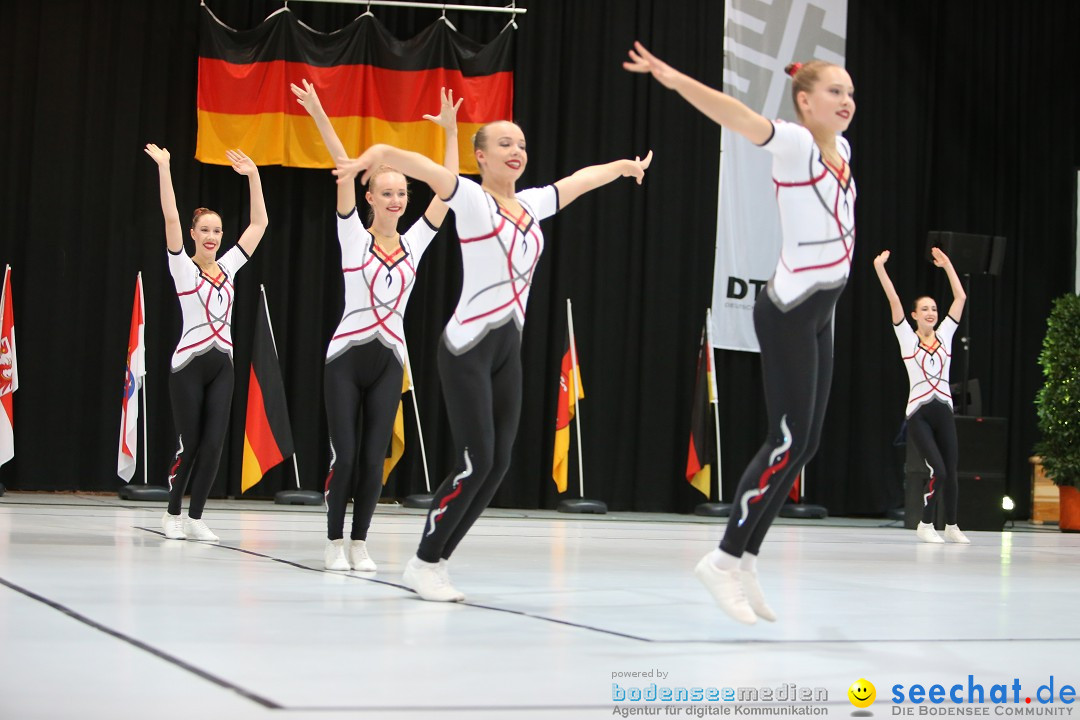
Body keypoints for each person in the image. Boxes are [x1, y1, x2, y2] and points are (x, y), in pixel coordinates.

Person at [335, 124, 651, 602]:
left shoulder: (534, 204)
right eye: (504, 144)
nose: (516, 150)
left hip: (508, 351)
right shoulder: (470, 198)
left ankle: (436, 560)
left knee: (497, 464)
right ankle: (423, 561)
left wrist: (623, 168)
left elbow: (581, 180)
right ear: (479, 156)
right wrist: (380, 151)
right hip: (465, 348)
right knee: (476, 458)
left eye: (522, 144)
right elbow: (424, 168)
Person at [625, 43, 855, 624]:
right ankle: (722, 560)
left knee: (806, 444)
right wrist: (676, 78)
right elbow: (735, 114)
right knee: (786, 439)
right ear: (805, 102)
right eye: (834, 91)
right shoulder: (796, 145)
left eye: (850, 92)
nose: (846, 101)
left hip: (823, 308)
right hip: (790, 310)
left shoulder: (842, 149)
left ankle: (748, 558)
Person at [289, 80, 461, 572]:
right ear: (369, 195)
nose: (396, 200)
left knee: (372, 459)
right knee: (345, 455)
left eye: (402, 193)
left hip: (390, 360)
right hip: (345, 359)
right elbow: (343, 164)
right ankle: (333, 542)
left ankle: (360, 542)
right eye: (386, 192)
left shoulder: (417, 243)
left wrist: (450, 132)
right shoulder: (351, 238)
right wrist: (321, 112)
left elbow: (447, 186)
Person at [144, 144, 268, 542]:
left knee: (214, 443)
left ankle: (196, 516)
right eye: (205, 230)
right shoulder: (181, 266)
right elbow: (169, 216)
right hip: (187, 366)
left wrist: (253, 176)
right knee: (192, 441)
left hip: (223, 365)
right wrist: (165, 167)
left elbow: (259, 225)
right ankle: (173, 512)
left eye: (217, 231)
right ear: (194, 234)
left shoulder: (230, 265)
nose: (212, 237)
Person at [873, 247, 970, 545]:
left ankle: (951, 525)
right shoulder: (906, 337)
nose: (931, 313)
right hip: (919, 414)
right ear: (915, 315)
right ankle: (925, 524)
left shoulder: (945, 335)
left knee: (951, 472)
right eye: (925, 309)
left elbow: (961, 298)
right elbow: (893, 299)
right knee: (938, 470)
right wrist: (880, 268)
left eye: (934, 309)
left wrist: (948, 265)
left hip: (943, 410)